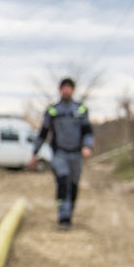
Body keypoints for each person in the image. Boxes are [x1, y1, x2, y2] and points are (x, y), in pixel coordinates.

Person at [29, 77, 94, 229]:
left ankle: (69, 211)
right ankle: (63, 216)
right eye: (63, 87)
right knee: (62, 182)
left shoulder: (81, 109)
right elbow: (43, 132)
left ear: (72, 90)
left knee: (73, 185)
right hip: (60, 153)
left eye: (69, 87)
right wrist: (34, 153)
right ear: (60, 90)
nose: (66, 90)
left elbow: (88, 131)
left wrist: (88, 147)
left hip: (76, 154)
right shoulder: (53, 110)